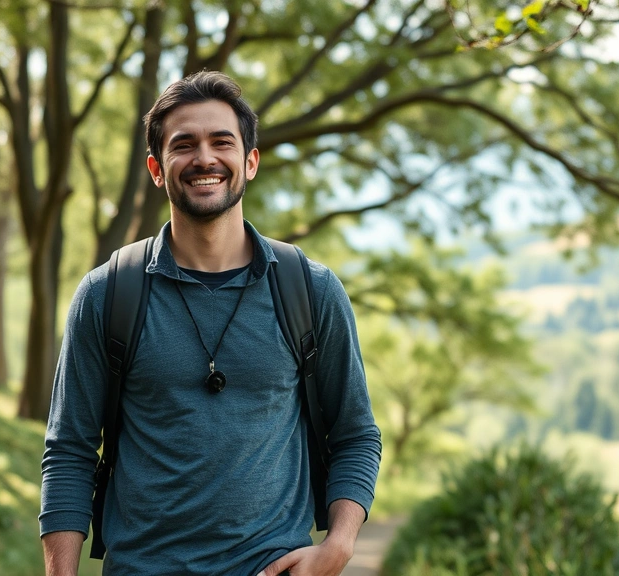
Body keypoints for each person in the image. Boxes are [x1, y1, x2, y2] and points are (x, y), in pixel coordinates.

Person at [39, 71, 382, 576]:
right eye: (184, 145)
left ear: (250, 161)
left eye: (222, 141)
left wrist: (339, 544)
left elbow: (355, 434)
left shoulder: (310, 290)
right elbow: (70, 449)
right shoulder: (108, 294)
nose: (205, 158)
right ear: (157, 168)